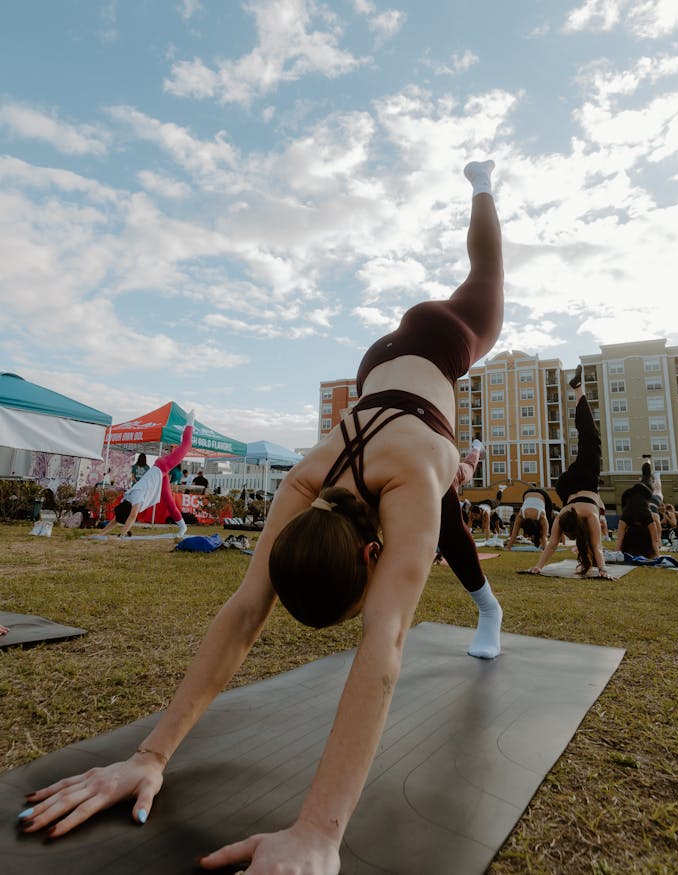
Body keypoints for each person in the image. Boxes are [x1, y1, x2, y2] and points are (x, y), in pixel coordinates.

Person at [19, 160, 504, 873]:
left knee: (487, 272)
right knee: (450, 507)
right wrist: (144, 756)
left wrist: (319, 829)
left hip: (437, 339)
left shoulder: (342, 476)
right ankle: (487, 599)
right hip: (382, 374)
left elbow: (383, 642)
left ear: (371, 558)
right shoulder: (331, 477)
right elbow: (249, 611)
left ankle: (483, 184)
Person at [528, 367, 614, 578]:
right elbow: (552, 544)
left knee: (589, 437)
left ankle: (578, 390)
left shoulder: (590, 516)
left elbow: (597, 547)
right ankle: (578, 392)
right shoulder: (565, 515)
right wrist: (538, 566)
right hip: (565, 486)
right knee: (587, 437)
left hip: (585, 480)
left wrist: (603, 568)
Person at [99, 411, 195, 539]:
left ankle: (190, 421)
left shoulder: (135, 497)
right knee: (169, 500)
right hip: (160, 474)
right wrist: (100, 534)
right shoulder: (125, 501)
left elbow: (132, 517)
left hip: (163, 466)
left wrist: (122, 535)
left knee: (187, 444)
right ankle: (183, 526)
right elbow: (117, 519)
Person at [616, 461, 662, 558]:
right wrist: (658, 556)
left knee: (649, 482)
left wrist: (617, 553)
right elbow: (654, 541)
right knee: (648, 480)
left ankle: (647, 464)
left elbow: (620, 540)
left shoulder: (644, 517)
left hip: (640, 492)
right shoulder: (644, 516)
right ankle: (647, 465)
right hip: (629, 495)